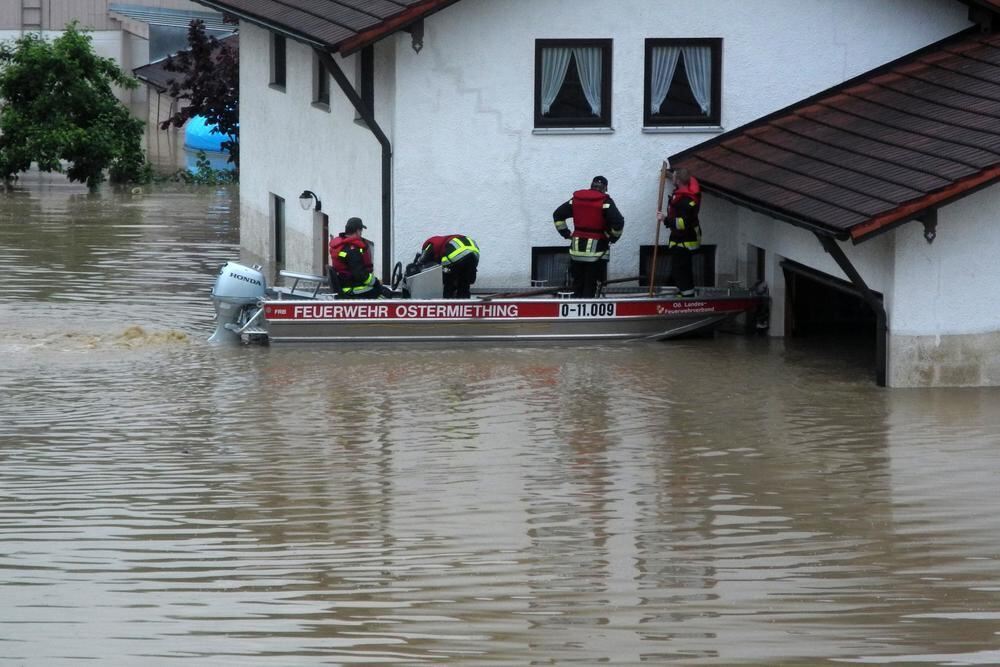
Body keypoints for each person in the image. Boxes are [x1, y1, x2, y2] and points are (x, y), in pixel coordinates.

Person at [552, 175, 625, 298]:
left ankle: (576, 312)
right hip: (597, 251)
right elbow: (618, 222)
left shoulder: (576, 199)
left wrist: (566, 233)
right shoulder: (605, 202)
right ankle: (589, 311)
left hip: (576, 250)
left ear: (591, 186)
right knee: (591, 284)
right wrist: (612, 237)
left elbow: (558, 215)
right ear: (605, 188)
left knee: (577, 283)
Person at [657, 168, 702, 298]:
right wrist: (668, 174)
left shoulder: (686, 201)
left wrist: (665, 219)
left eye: (674, 178)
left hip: (685, 241)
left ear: (679, 181)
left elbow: (683, 223)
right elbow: (682, 176)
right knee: (678, 270)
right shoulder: (684, 191)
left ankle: (687, 299)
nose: (672, 179)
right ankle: (683, 294)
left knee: (681, 270)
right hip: (679, 238)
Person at [328, 217, 391, 299]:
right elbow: (360, 275)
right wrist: (375, 282)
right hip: (352, 288)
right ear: (357, 231)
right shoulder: (352, 250)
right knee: (385, 292)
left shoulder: (342, 246)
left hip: (345, 285)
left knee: (379, 289)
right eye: (361, 230)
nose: (361, 233)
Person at [414, 234, 480, 299]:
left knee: (448, 279)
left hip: (456, 253)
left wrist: (415, 266)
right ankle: (464, 300)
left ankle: (448, 300)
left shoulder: (430, 243)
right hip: (474, 253)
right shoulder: (448, 241)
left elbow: (422, 259)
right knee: (465, 281)